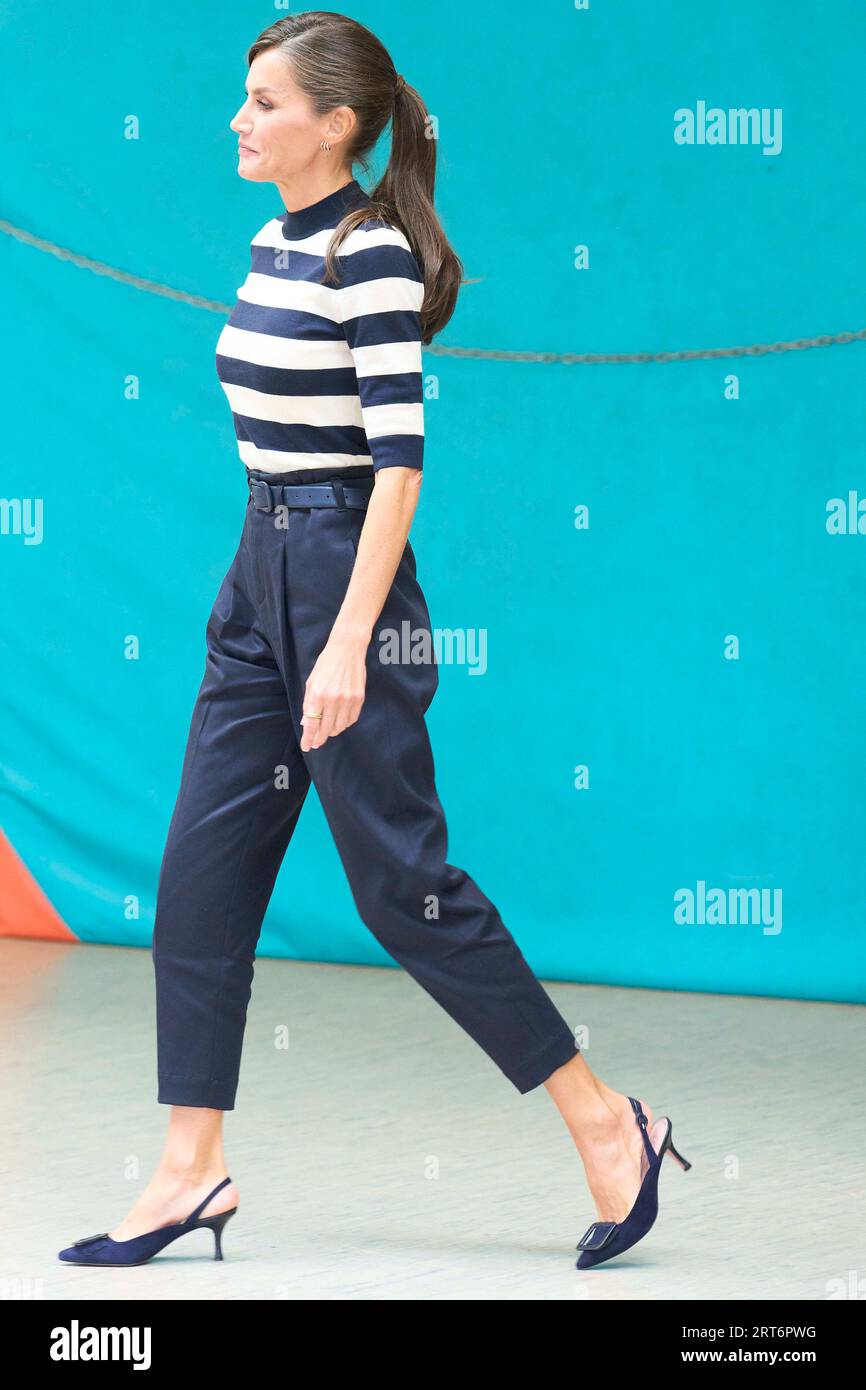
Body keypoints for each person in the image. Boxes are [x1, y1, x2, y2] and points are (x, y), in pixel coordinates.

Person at [58, 10, 689, 1273]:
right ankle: (190, 1168)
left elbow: (398, 468)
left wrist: (345, 644)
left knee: (402, 887)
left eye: (263, 103)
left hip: (349, 579)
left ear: (334, 125)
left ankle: (604, 1118)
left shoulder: (372, 256)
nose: (237, 120)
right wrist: (270, 599)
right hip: (258, 574)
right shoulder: (268, 242)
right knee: (197, 873)